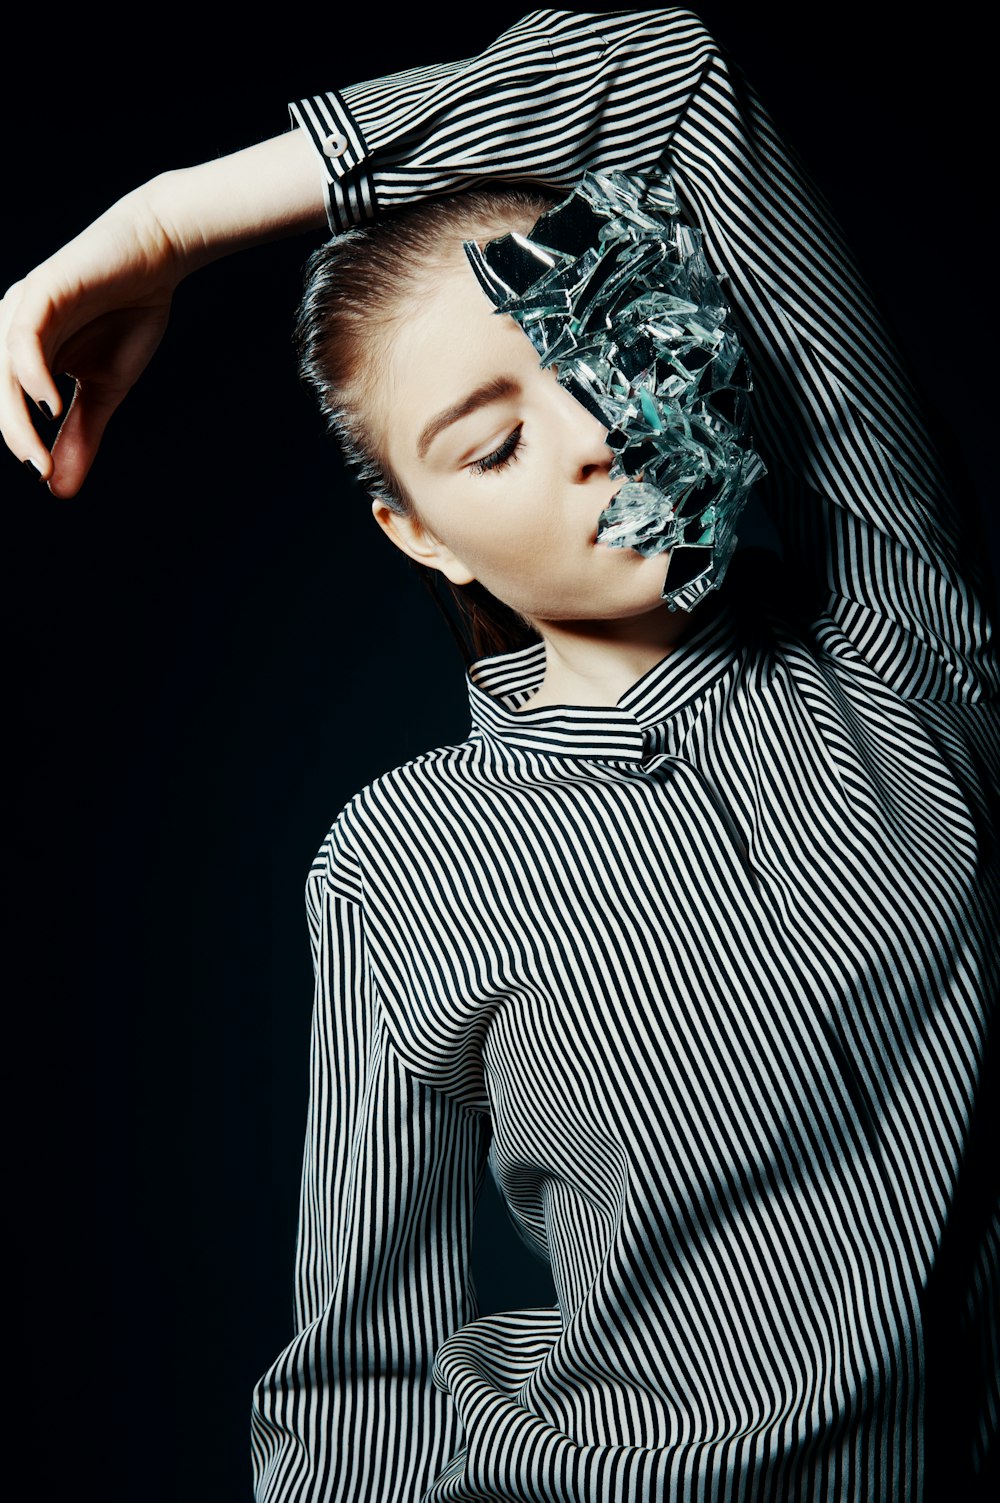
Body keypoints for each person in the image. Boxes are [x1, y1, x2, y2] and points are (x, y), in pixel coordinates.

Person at [2, 9, 996, 1502]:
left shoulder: (893, 634)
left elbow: (663, 76)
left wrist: (170, 226)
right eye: (491, 441)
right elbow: (358, 1386)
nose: (593, 431)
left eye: (597, 348)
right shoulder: (407, 863)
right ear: (415, 530)